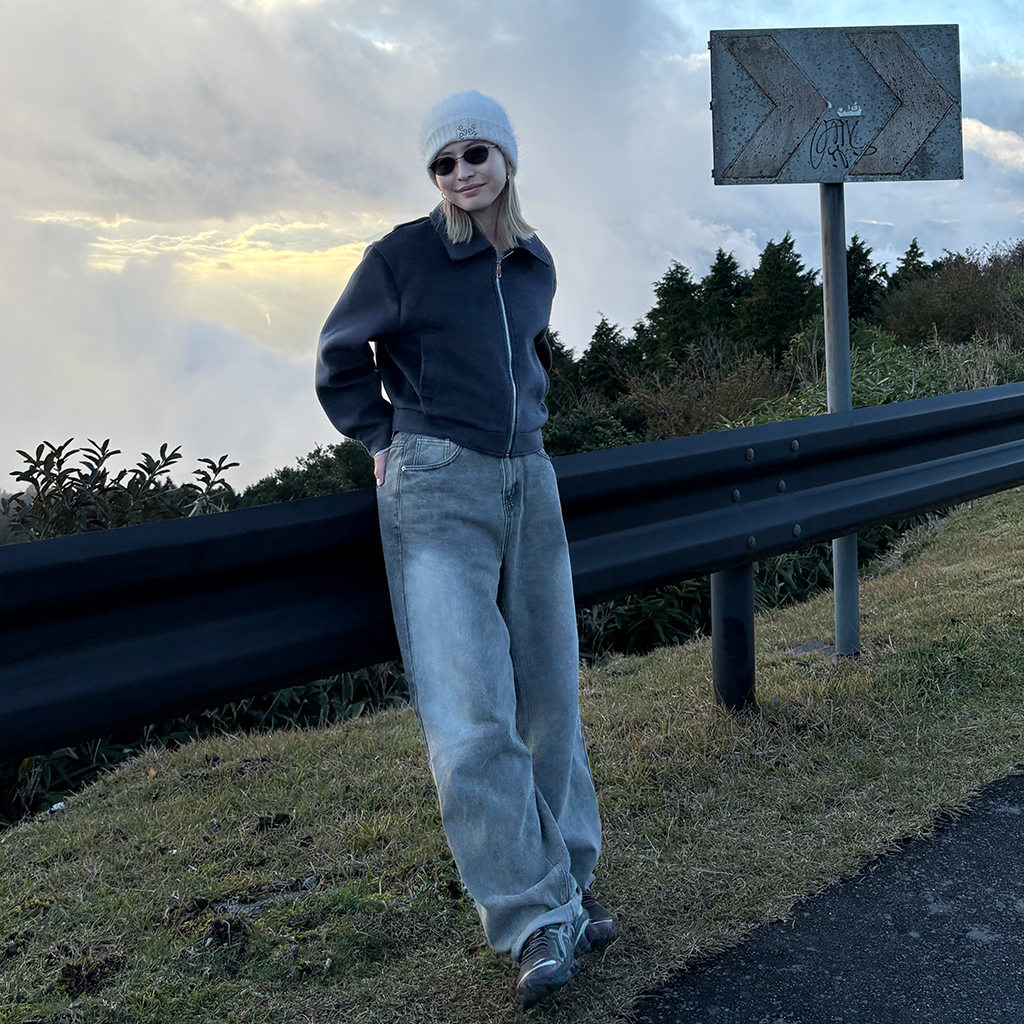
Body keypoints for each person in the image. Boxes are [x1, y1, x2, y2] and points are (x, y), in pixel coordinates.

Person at [315, 90, 615, 1009]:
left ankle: (569, 886)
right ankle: (531, 917)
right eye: (443, 163)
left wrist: (532, 432)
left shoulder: (533, 260)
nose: (460, 173)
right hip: (437, 483)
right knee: (470, 713)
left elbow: (530, 359)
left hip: (530, 474)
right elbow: (338, 360)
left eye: (475, 153)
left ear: (505, 157)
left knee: (552, 697)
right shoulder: (400, 257)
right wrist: (384, 438)